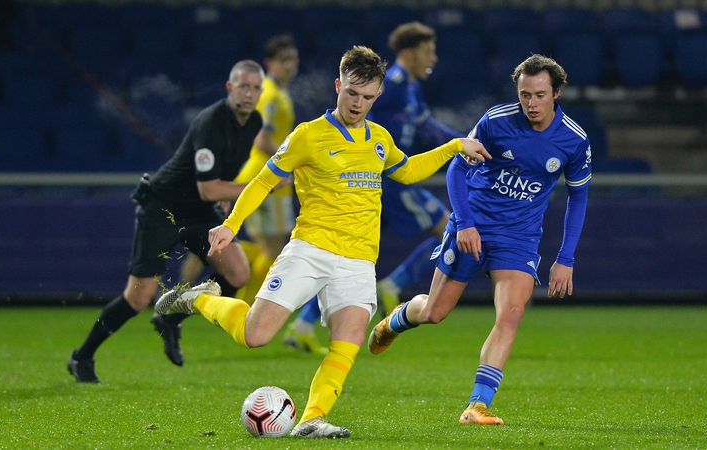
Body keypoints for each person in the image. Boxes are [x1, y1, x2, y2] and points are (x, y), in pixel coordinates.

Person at [154, 46, 490, 438]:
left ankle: (312, 418)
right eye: (351, 93)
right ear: (338, 86)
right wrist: (231, 224)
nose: (357, 103)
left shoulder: (378, 139)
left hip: (359, 260)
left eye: (367, 97)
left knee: (347, 340)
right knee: (255, 335)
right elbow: (264, 179)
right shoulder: (308, 135)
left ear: (378, 96)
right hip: (311, 250)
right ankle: (198, 298)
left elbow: (408, 171)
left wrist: (453, 147)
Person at [368, 54, 591, 425]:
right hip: (472, 227)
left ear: (557, 93)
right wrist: (466, 223)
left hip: (518, 238)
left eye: (539, 95)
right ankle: (393, 322)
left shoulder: (573, 140)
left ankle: (477, 405)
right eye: (524, 95)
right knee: (435, 313)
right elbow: (457, 168)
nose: (531, 103)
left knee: (512, 314)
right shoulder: (495, 121)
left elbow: (578, 196)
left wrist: (565, 257)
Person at [67, 60, 266, 383]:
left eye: (256, 87)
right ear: (230, 88)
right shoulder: (211, 121)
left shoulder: (253, 121)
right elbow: (206, 187)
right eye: (243, 86)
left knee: (238, 271)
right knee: (139, 297)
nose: (250, 93)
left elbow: (220, 175)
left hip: (200, 212)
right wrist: (256, 188)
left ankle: (172, 319)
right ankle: (82, 356)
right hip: (164, 207)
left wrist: (227, 191)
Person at [178, 35, 327, 354]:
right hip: (267, 180)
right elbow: (262, 141)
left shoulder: (275, 94)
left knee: (270, 249)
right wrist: (298, 157)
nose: (291, 66)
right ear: (269, 64)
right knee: (275, 251)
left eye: (294, 59)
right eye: (285, 60)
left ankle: (218, 275)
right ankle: (236, 302)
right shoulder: (272, 97)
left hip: (265, 178)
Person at [367, 21, 464, 315]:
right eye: (428, 52)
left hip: (388, 179)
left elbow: (427, 126)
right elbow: (360, 117)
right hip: (389, 178)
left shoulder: (411, 88)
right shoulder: (392, 85)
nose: (433, 59)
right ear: (409, 53)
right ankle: (392, 285)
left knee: (349, 251)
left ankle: (304, 324)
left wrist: (463, 141)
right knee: (450, 228)